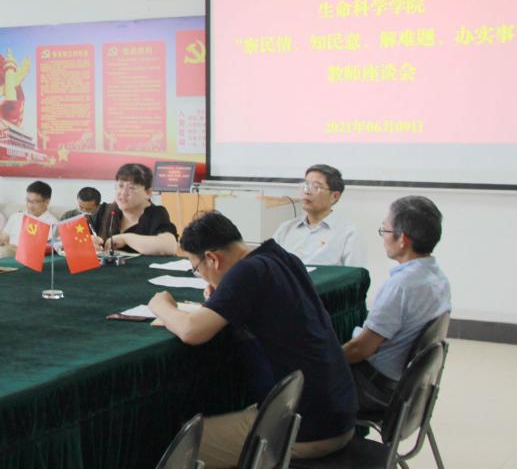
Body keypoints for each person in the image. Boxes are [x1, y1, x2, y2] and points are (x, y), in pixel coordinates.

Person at [149, 211, 357, 467]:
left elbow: (192, 331)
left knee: (173, 446)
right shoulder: (280, 257)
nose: (200, 275)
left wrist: (162, 306)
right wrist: (223, 294)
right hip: (336, 414)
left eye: (196, 268)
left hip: (306, 429)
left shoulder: (247, 272)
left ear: (212, 259)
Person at [342, 196, 451, 412]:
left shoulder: (402, 286)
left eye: (385, 230)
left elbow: (361, 349)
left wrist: (323, 362)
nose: (383, 237)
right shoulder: (439, 278)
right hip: (409, 387)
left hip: (375, 388)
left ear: (402, 240)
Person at [271, 164, 364, 267]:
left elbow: (355, 274)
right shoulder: (286, 228)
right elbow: (268, 265)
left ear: (334, 196)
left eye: (316, 187)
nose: (306, 191)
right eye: (305, 185)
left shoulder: (348, 233)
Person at [91, 163, 177, 256]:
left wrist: (126, 239)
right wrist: (89, 241)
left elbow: (169, 247)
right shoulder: (104, 210)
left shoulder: (156, 214)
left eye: (131, 188)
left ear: (148, 193)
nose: (123, 193)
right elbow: (81, 234)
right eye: (120, 186)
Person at [0, 181, 58, 249]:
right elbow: (3, 239)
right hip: (6, 252)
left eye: (34, 202)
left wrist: (16, 249)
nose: (30, 206)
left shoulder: (52, 224)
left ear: (47, 202)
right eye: (28, 201)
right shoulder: (16, 216)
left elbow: (46, 249)